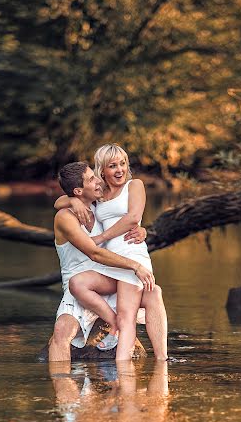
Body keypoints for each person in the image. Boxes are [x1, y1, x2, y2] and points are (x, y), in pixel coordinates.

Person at [55, 144, 165, 361]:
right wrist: (73, 200)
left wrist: (104, 238)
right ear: (101, 171)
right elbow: (58, 201)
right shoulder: (101, 193)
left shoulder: (135, 185)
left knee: (129, 314)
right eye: (112, 165)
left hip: (130, 257)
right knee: (79, 284)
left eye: (123, 164)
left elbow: (133, 218)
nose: (119, 169)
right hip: (110, 265)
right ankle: (123, 338)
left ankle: (141, 365)